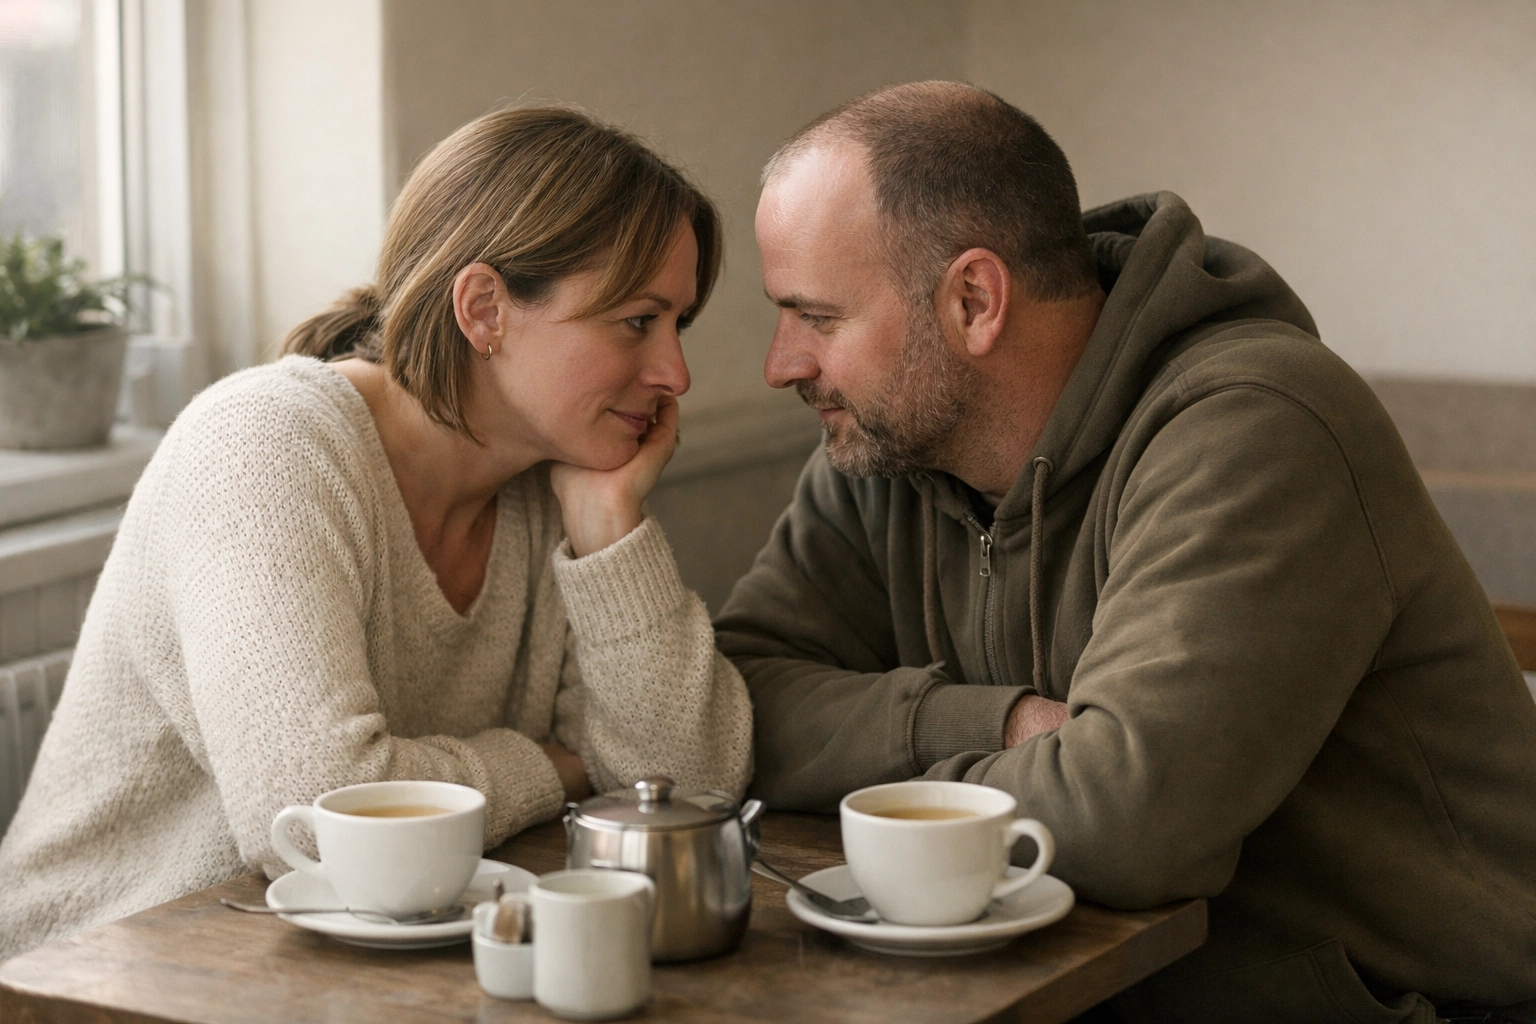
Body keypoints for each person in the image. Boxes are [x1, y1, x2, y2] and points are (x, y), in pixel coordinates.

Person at [716, 81, 1536, 1023]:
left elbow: (1125, 825)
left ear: (974, 301)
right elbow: (734, 706)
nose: (783, 362)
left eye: (817, 318)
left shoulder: (1256, 426)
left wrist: (865, 757)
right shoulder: (885, 451)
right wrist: (1001, 723)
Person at [0, 107, 752, 959]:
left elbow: (691, 790)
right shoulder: (263, 448)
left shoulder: (558, 483)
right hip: (97, 972)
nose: (675, 375)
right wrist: (560, 765)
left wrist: (611, 533)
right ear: (485, 310)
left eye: (677, 324)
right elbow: (322, 813)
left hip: (346, 966)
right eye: (636, 322)